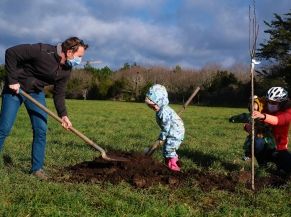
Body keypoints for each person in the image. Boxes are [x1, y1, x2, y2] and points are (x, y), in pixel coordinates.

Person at [0, 37, 88, 179]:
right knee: (4, 128)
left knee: (41, 129)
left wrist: (63, 115)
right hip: (15, 90)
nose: (80, 60)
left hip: (35, 93)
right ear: (70, 52)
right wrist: (12, 80)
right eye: (79, 56)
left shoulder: (66, 69)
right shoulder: (42, 51)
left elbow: (59, 93)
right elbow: (11, 52)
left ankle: (37, 169)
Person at [145, 84, 185, 172]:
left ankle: (174, 168)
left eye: (154, 105)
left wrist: (161, 137)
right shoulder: (161, 110)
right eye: (150, 106)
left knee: (169, 149)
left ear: (160, 102)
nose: (153, 107)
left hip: (175, 133)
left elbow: (166, 128)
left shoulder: (163, 112)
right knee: (166, 149)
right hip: (172, 131)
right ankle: (169, 163)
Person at [253, 87, 291, 174]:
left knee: (287, 167)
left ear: (282, 103)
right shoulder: (266, 107)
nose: (270, 104)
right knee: (257, 142)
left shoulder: (288, 112)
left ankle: (281, 169)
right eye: (269, 101)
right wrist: (255, 104)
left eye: (274, 102)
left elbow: (277, 120)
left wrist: (263, 116)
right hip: (264, 144)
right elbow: (259, 101)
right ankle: (263, 166)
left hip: (279, 148)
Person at [229, 95, 275, 162]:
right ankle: (249, 154)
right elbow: (244, 116)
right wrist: (233, 119)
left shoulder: (263, 110)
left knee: (269, 145)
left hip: (266, 133)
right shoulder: (252, 111)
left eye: (254, 103)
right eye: (250, 102)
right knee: (252, 141)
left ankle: (272, 156)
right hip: (257, 133)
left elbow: (245, 116)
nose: (252, 106)